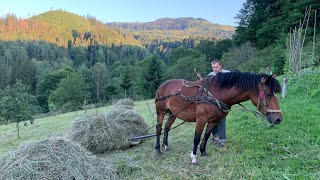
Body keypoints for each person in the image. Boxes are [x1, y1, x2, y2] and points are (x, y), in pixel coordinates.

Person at [208, 59, 230, 148]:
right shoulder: (210, 75)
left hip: (224, 101)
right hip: (212, 101)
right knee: (212, 119)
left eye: (216, 67)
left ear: (220, 66)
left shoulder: (227, 74)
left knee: (221, 119)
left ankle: (222, 140)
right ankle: (215, 136)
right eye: (213, 67)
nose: (215, 69)